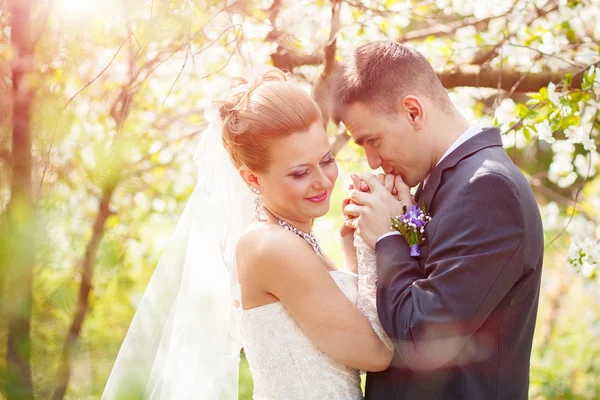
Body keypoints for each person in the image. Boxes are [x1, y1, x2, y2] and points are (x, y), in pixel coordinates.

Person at [102, 69, 392, 400]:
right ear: (252, 179)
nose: (323, 181)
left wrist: (351, 245)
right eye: (300, 173)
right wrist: (377, 245)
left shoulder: (291, 238)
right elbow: (376, 355)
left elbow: (349, 323)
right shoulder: (272, 247)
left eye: (326, 160)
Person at [334, 40, 544, 400]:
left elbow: (422, 334)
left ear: (413, 112)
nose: (371, 161)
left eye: (373, 140)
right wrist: (404, 221)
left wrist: (387, 239)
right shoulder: (449, 182)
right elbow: (430, 272)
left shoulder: (488, 188)